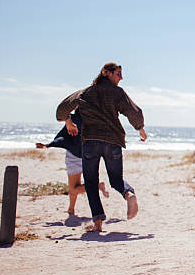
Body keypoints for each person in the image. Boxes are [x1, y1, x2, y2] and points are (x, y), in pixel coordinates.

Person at [56, 62, 147, 232]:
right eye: (118, 74)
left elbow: (61, 110)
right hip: (113, 141)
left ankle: (98, 223)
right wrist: (140, 128)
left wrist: (68, 120)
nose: (121, 78)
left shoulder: (86, 92)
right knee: (116, 179)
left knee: (91, 183)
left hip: (90, 141)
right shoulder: (117, 93)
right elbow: (134, 112)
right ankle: (129, 194)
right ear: (106, 73)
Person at [35, 111, 109, 215]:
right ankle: (71, 209)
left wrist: (48, 145)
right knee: (74, 187)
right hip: (90, 155)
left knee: (73, 188)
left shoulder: (73, 119)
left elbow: (63, 138)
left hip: (74, 157)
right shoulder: (95, 118)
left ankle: (97, 186)